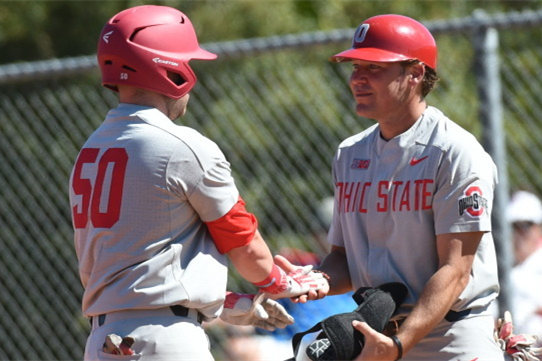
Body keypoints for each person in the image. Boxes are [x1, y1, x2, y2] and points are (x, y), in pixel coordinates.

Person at [68, 5, 328, 360]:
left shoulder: (91, 150)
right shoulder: (183, 146)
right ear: (170, 69)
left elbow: (137, 271)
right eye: (187, 62)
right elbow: (245, 245)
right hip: (164, 343)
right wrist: (284, 283)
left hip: (104, 342)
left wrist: (227, 303)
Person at [313, 14, 504, 360]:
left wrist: (400, 345)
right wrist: (316, 281)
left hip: (451, 337)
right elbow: (344, 258)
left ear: (415, 73)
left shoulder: (454, 151)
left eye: (374, 68)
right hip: (377, 333)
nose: (357, 79)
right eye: (355, 67)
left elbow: (456, 270)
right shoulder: (349, 153)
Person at [506, 190, 542, 338]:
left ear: (538, 228)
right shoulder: (503, 267)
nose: (518, 233)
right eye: (514, 226)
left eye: (525, 226)